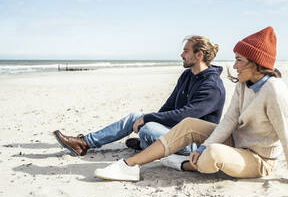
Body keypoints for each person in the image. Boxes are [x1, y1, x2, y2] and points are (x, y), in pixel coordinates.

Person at [93, 26, 288, 188]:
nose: (235, 65)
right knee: (190, 125)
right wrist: (203, 146)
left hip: (258, 159)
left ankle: (181, 163)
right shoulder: (243, 84)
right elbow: (229, 121)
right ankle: (129, 166)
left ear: (256, 63)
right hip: (235, 142)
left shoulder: (275, 91)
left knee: (212, 153)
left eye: (240, 60)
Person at [53, 35, 226, 157]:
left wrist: (150, 120)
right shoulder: (188, 75)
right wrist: (150, 119)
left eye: (186, 51)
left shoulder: (212, 87)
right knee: (136, 117)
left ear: (199, 55)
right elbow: (170, 105)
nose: (181, 55)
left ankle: (145, 144)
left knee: (148, 129)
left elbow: (186, 115)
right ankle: (84, 143)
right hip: (176, 131)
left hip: (193, 143)